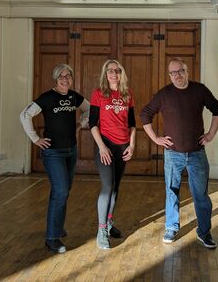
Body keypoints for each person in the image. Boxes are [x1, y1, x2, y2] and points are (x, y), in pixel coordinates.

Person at [140, 58, 218, 249]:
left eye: (180, 71)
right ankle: (171, 227)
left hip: (197, 154)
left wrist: (210, 134)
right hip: (173, 155)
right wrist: (156, 139)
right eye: (173, 73)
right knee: (172, 192)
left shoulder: (199, 90)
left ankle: (204, 232)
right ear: (169, 75)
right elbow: (145, 114)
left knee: (200, 194)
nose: (177, 75)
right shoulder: (164, 94)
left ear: (187, 71)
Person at [20, 63, 90, 254]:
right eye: (61, 76)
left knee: (64, 190)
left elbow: (90, 110)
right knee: (60, 191)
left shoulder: (73, 96)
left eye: (68, 76)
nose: (65, 79)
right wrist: (36, 139)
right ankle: (52, 237)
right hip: (53, 153)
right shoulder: (47, 98)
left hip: (71, 151)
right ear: (55, 78)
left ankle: (57, 227)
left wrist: (79, 124)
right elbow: (25, 115)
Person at [89, 60, 136, 249]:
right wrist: (101, 147)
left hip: (123, 146)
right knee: (107, 187)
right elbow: (92, 124)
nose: (113, 74)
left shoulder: (128, 94)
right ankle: (101, 231)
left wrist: (131, 146)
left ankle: (109, 223)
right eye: (109, 71)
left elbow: (132, 123)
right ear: (105, 74)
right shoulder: (98, 94)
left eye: (116, 71)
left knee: (116, 186)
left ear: (121, 73)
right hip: (105, 145)